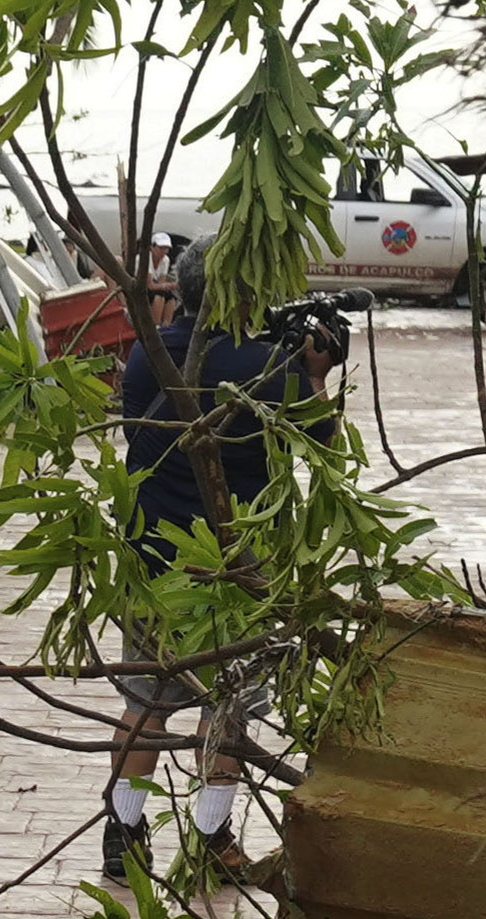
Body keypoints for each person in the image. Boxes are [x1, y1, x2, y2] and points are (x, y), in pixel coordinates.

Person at [100, 242, 348, 877]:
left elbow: (135, 432)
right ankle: (213, 843)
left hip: (152, 550)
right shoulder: (269, 364)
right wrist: (315, 372)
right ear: (245, 294)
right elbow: (323, 445)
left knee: (146, 700)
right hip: (236, 562)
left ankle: (122, 836)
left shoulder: (147, 352)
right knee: (230, 705)